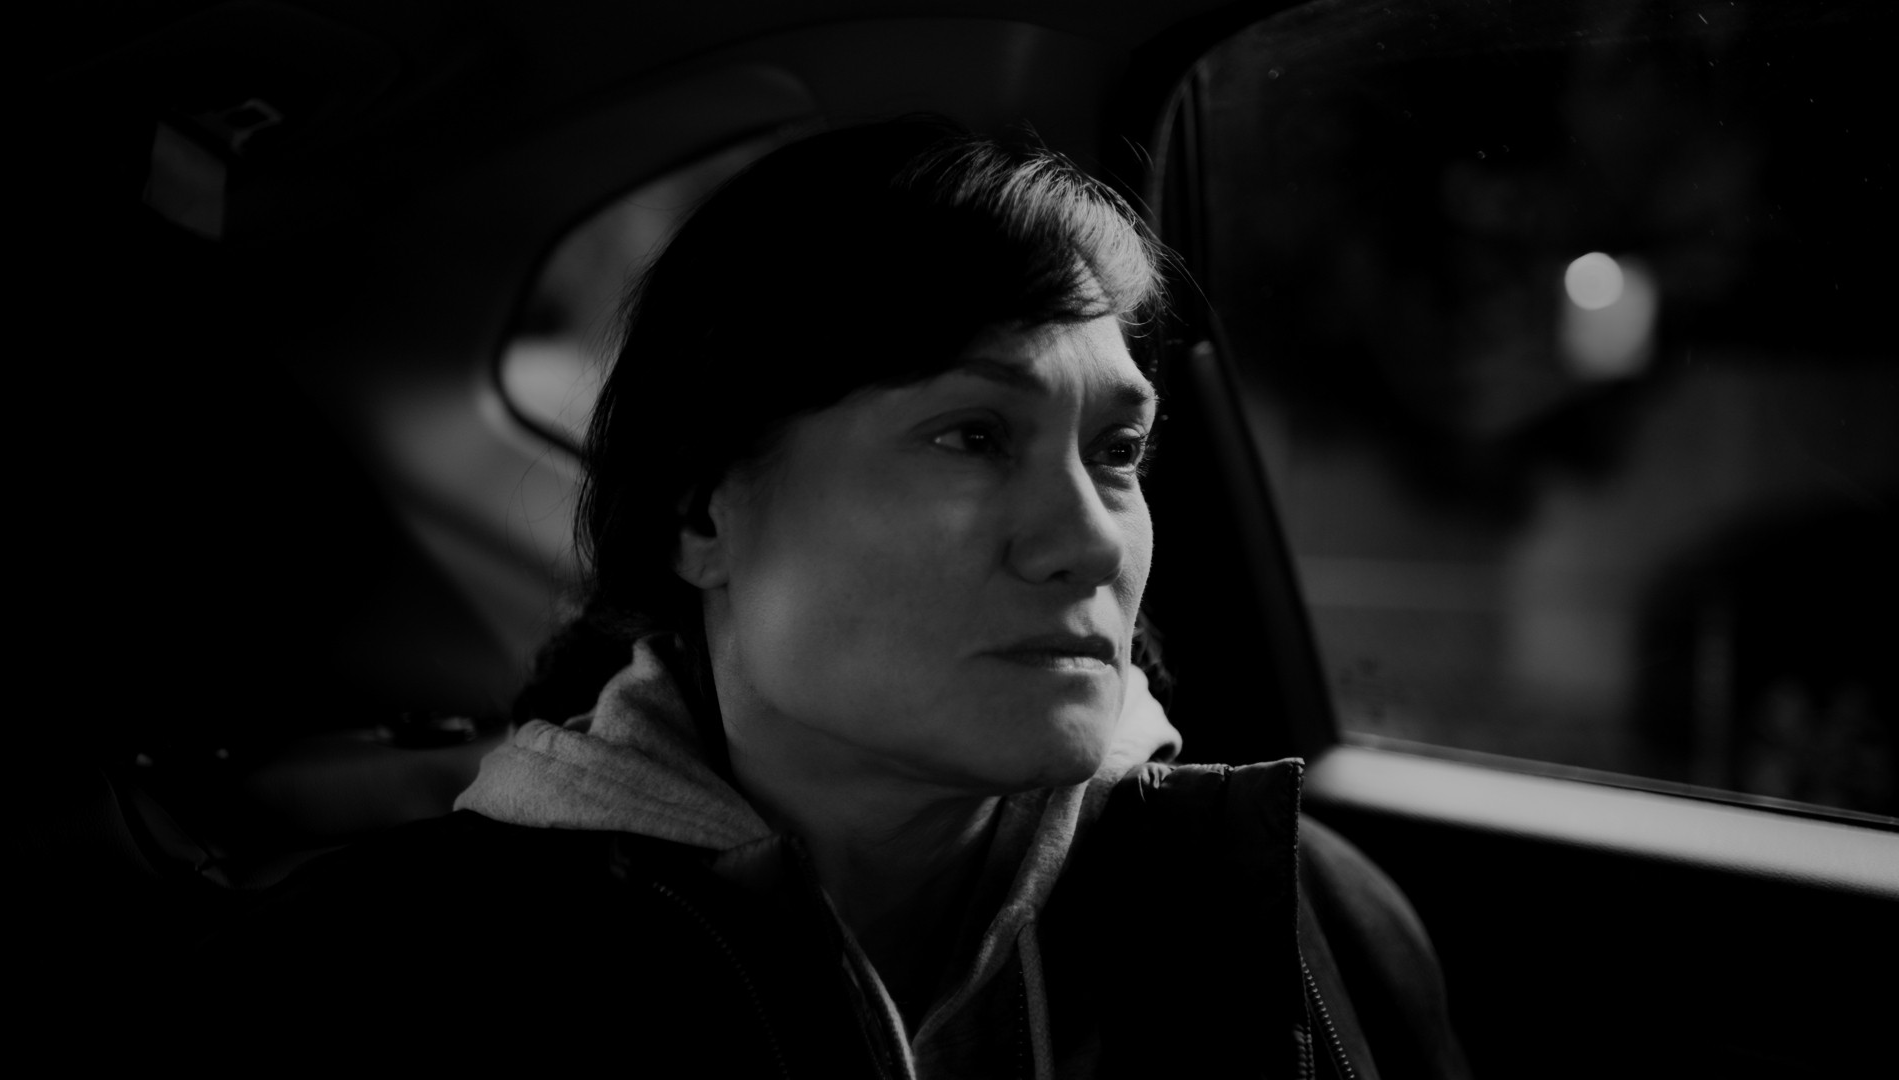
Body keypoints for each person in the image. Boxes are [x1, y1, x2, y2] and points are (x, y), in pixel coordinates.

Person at [202, 117, 1470, 1078]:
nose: (1089, 541)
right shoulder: (379, 986)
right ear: (702, 515)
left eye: (1118, 452)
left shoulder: (1308, 923)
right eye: (972, 436)